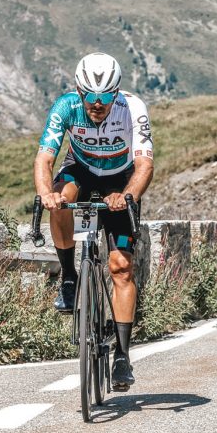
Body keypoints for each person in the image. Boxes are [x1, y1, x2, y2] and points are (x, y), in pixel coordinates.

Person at [33, 52, 153, 390]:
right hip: (81, 171)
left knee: (120, 267)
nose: (97, 104)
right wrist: (46, 193)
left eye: (105, 96)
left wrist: (127, 195)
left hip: (120, 179)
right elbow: (45, 157)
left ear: (116, 93)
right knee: (60, 202)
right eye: (90, 95)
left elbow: (144, 166)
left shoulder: (133, 109)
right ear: (78, 90)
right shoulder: (66, 106)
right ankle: (70, 276)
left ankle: (123, 356)